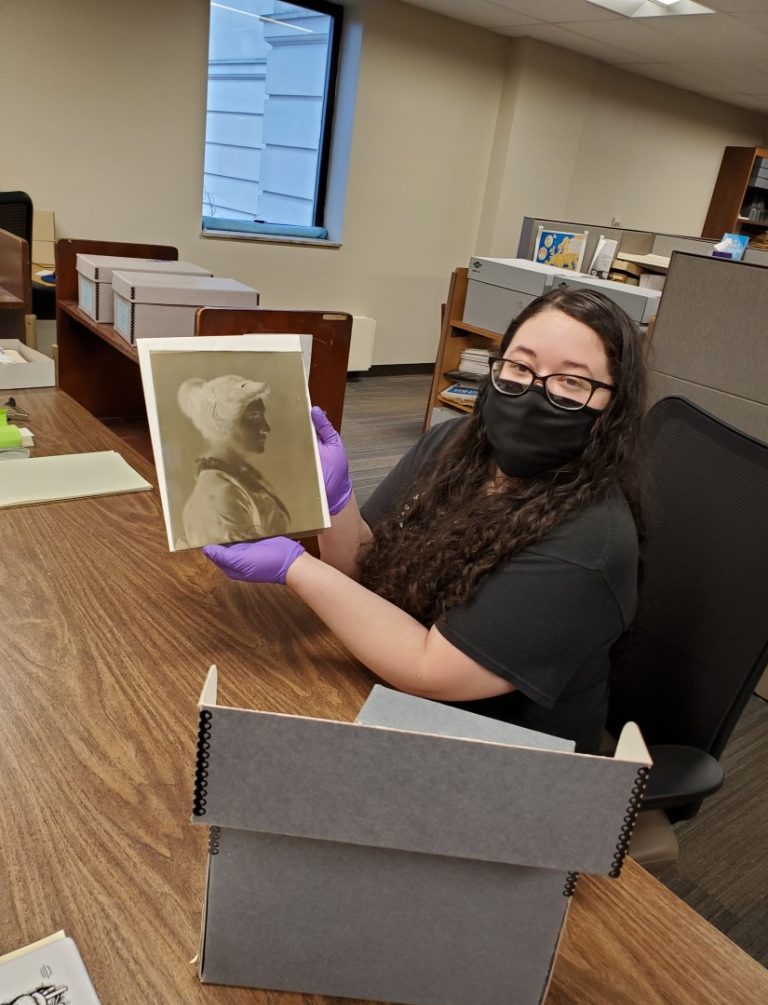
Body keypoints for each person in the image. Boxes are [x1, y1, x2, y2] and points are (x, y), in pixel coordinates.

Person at [203, 288, 648, 753]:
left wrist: (296, 565)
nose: (535, 390)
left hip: (505, 758)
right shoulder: (455, 444)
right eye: (520, 366)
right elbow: (364, 571)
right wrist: (335, 502)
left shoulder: (589, 541)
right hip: (396, 696)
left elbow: (429, 670)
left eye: (570, 383)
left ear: (610, 411)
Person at [177, 374, 290, 547]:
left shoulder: (242, 476)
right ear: (224, 423)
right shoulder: (221, 491)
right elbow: (245, 562)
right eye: (254, 418)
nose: (266, 428)